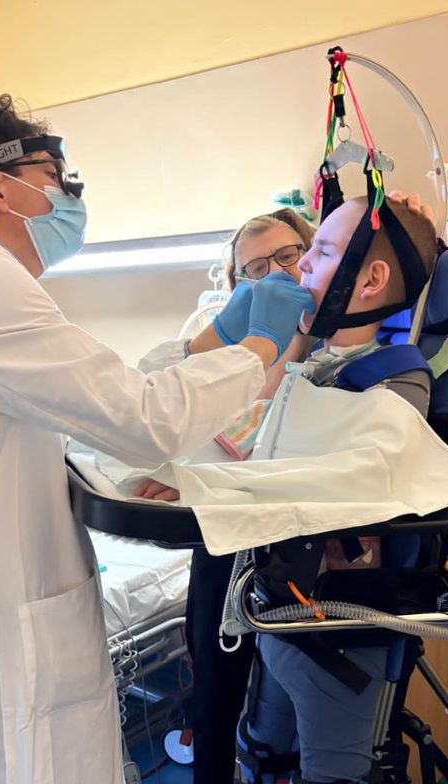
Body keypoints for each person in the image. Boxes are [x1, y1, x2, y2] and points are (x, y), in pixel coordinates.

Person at [0, 92, 314, 784]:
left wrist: (214, 339)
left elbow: (94, 403)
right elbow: (142, 418)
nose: (69, 194)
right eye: (53, 176)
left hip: (12, 587)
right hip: (2, 608)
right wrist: (261, 344)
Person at [237, 191, 439, 784]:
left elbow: (350, 482)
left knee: (331, 771)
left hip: (338, 622)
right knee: (263, 749)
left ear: (371, 280)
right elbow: (251, 434)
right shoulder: (312, 365)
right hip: (279, 605)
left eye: (321, 251)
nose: (301, 264)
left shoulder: (396, 378)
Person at [135, 207, 315, 784]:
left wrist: (197, 476)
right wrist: (186, 473)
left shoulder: (335, 349)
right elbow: (158, 405)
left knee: (297, 709)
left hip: (303, 553)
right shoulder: (230, 359)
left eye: (287, 257)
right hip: (223, 542)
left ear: (312, 257)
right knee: (214, 686)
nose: (274, 276)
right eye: (254, 270)